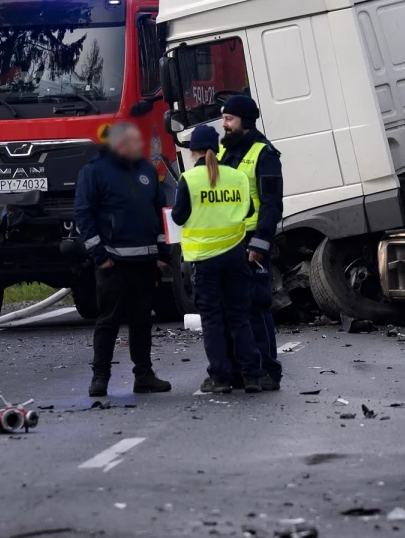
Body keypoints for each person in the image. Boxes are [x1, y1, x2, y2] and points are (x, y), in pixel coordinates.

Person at [74, 123, 172, 397]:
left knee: (142, 322)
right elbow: (83, 216)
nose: (140, 147)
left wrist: (161, 255)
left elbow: (159, 214)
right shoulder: (94, 172)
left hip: (145, 264)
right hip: (113, 265)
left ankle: (144, 375)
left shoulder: (146, 171)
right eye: (134, 142)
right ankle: (100, 378)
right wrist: (100, 256)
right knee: (108, 322)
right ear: (119, 145)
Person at [171, 125, 264, 393]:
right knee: (239, 316)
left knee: (212, 319)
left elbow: (178, 217)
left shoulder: (189, 180)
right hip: (235, 254)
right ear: (217, 147)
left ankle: (221, 377)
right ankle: (252, 376)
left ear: (194, 152)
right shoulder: (237, 177)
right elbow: (246, 210)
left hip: (204, 259)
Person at [218, 95, 283, 390]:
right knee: (230, 309)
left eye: (229, 119)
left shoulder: (264, 153)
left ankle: (269, 370)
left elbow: (271, 203)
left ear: (245, 120)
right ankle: (240, 370)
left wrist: (260, 243)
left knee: (256, 307)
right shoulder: (222, 151)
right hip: (224, 242)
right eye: (224, 118)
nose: (224, 124)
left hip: (250, 241)